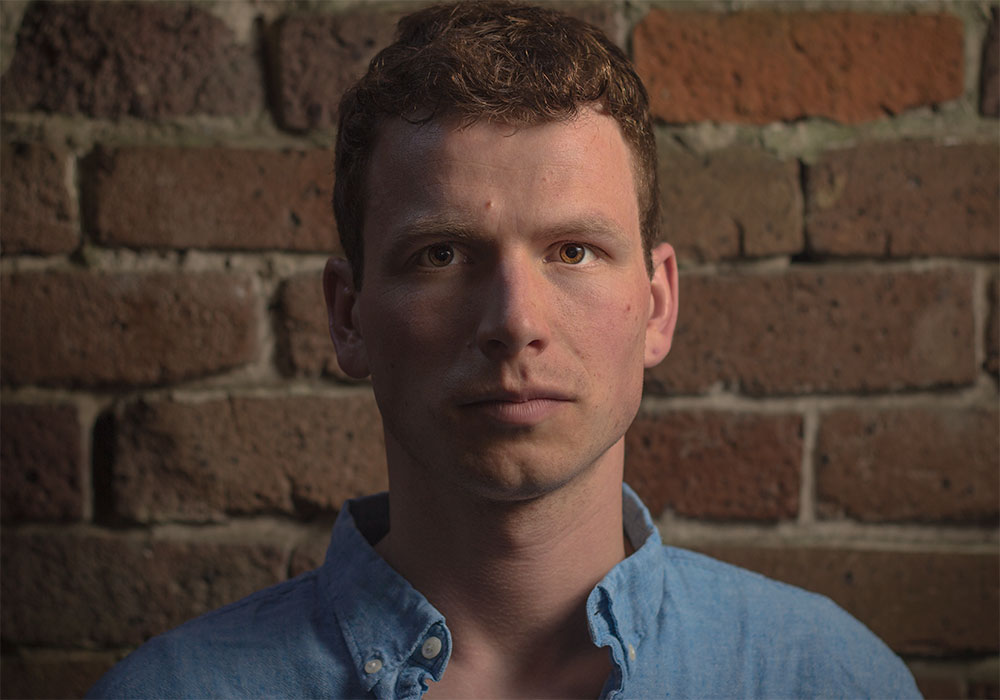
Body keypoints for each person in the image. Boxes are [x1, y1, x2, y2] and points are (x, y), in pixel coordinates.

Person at [89, 2, 920, 698]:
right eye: (442, 254)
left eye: (574, 251)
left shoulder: (828, 679)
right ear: (348, 317)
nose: (515, 321)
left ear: (657, 305)